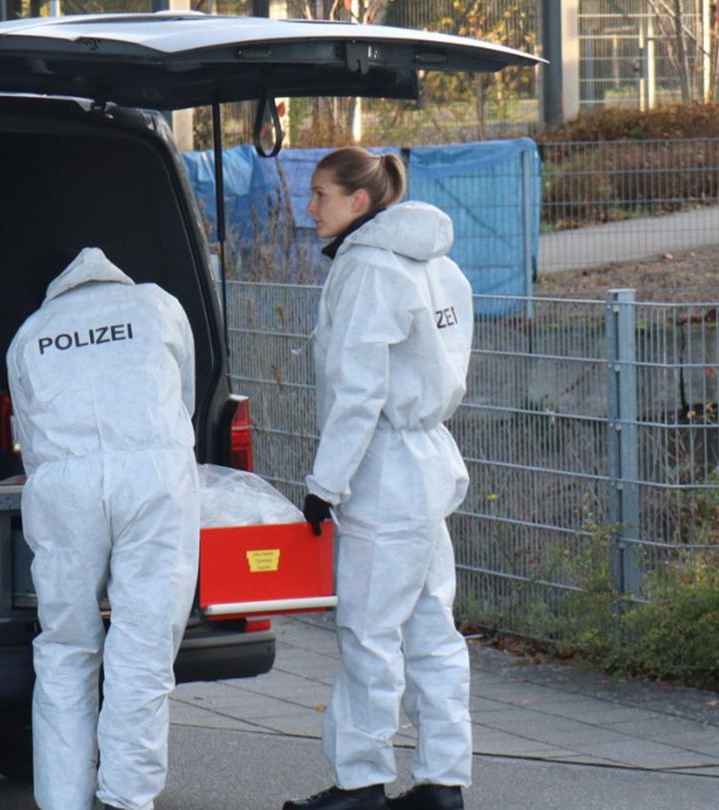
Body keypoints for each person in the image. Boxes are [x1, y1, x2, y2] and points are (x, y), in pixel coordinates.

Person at [284, 148, 474, 810]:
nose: (310, 207)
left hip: (383, 468)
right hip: (430, 462)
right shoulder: (436, 265)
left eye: (320, 194)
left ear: (359, 202)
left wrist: (323, 484)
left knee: (368, 631)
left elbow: (357, 390)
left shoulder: (365, 270)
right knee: (432, 630)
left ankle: (360, 782)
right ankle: (443, 781)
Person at [6, 246, 200, 810]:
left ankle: (63, 802)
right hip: (155, 478)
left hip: (64, 486)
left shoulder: (31, 332)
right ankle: (125, 800)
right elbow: (182, 397)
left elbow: (28, 428)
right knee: (142, 649)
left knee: (66, 650)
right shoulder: (157, 307)